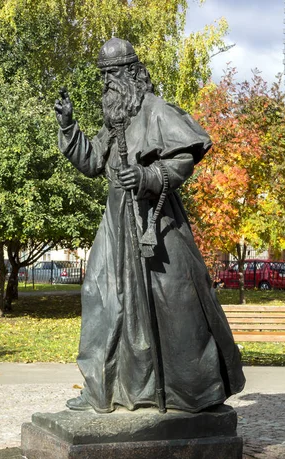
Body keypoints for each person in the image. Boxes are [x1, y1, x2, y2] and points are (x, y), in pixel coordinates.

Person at [55, 37, 245, 414]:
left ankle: (190, 391)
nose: (106, 83)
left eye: (111, 74)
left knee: (172, 304)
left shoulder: (157, 110)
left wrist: (146, 176)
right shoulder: (115, 121)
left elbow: (184, 158)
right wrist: (69, 126)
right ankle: (102, 389)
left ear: (130, 73)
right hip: (116, 222)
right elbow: (93, 161)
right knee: (98, 295)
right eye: (102, 76)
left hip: (153, 223)